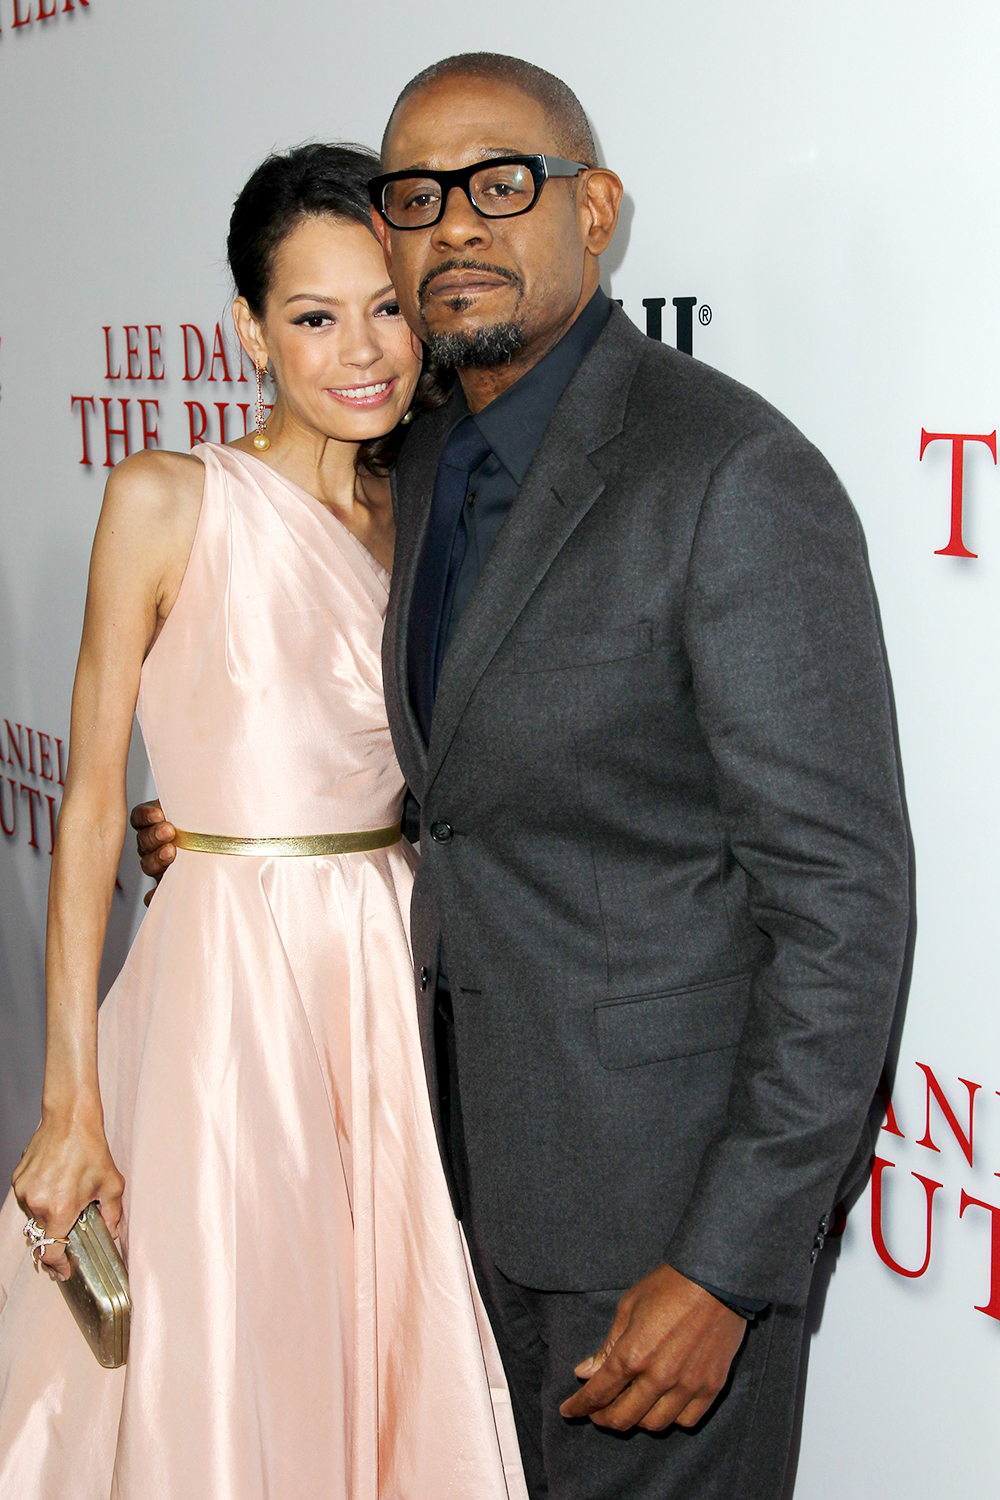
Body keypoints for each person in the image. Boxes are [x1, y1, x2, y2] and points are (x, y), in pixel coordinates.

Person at [135, 52, 911, 1500]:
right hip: (448, 1190)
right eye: (417, 198)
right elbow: (442, 784)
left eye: (505, 184)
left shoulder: (728, 473)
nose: (458, 227)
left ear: (598, 208)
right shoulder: (424, 461)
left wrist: (728, 1269)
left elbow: (844, 908)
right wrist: (229, 830)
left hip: (653, 1243)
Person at [0, 142, 525, 1500]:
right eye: (311, 315)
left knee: (382, 1340)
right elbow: (101, 804)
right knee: (234, 1346)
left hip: (393, 984)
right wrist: (70, 1103)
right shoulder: (170, 500)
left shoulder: (437, 515)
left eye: (387, 306)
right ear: (247, 329)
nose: (362, 350)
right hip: (226, 1002)